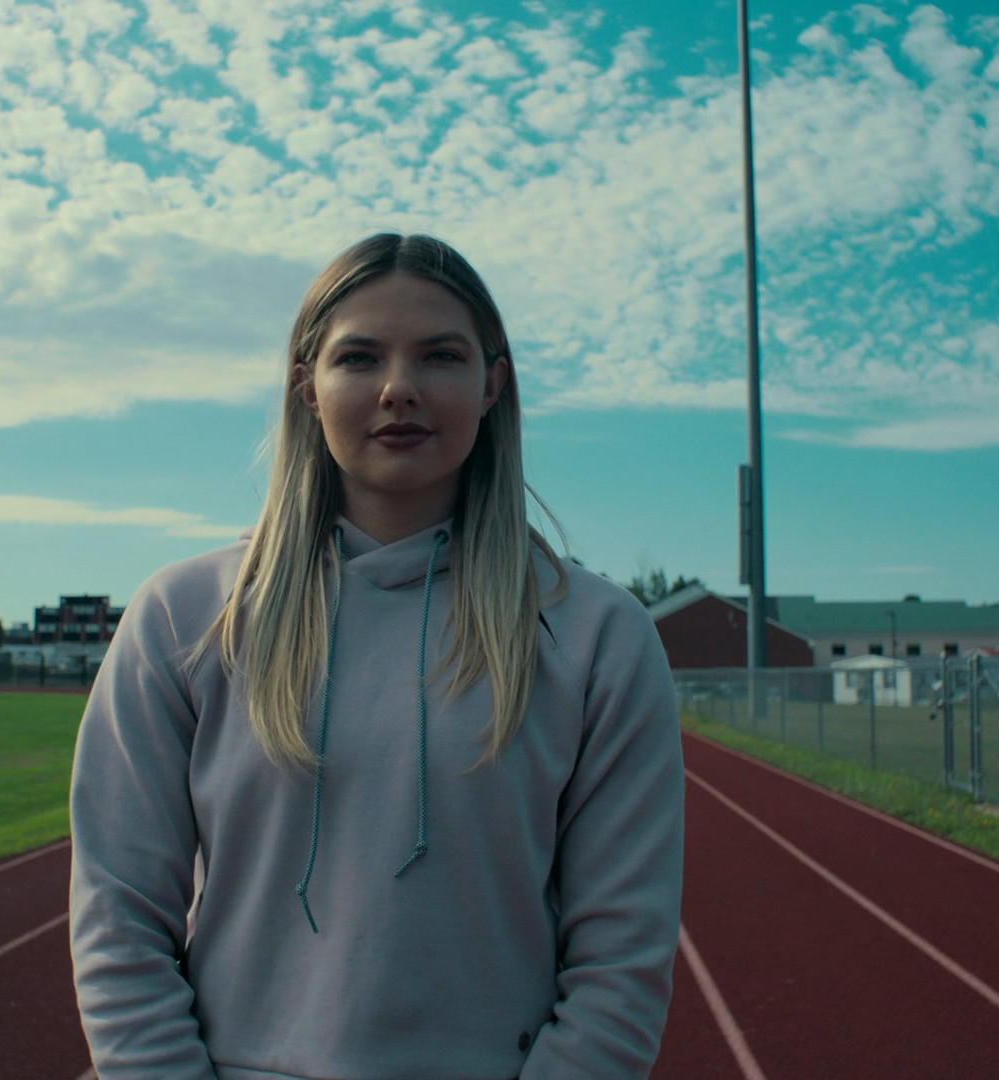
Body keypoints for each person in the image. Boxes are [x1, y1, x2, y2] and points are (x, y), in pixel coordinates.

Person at [68, 233, 684, 1079]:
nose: (400, 389)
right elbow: (119, 918)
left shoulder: (597, 637)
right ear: (307, 387)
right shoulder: (184, 619)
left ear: (491, 382)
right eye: (359, 357)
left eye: (440, 355)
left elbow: (622, 958)